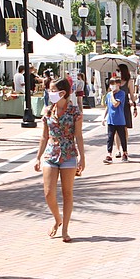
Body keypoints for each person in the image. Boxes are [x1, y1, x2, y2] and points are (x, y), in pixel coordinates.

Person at [34, 78, 84, 243]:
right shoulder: (48, 111)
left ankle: (65, 228)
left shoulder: (75, 112)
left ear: (62, 93)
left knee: (67, 193)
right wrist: (38, 157)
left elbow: (78, 136)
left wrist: (82, 158)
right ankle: (57, 218)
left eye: (53, 90)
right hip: (51, 153)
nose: (50, 93)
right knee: (48, 192)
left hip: (68, 153)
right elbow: (44, 136)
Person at [114, 63, 138, 157]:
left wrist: (135, 105)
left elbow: (131, 95)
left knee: (124, 128)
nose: (117, 72)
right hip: (116, 106)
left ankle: (124, 148)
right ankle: (117, 149)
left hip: (125, 106)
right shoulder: (115, 81)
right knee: (116, 129)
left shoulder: (129, 81)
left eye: (118, 70)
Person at [103, 77, 129, 163]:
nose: (112, 86)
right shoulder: (108, 95)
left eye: (114, 84)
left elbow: (115, 104)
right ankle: (109, 154)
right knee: (110, 138)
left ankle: (124, 153)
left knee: (122, 137)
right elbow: (108, 106)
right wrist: (104, 117)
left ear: (118, 85)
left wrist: (112, 95)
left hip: (120, 120)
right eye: (111, 84)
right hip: (111, 120)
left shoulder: (121, 93)